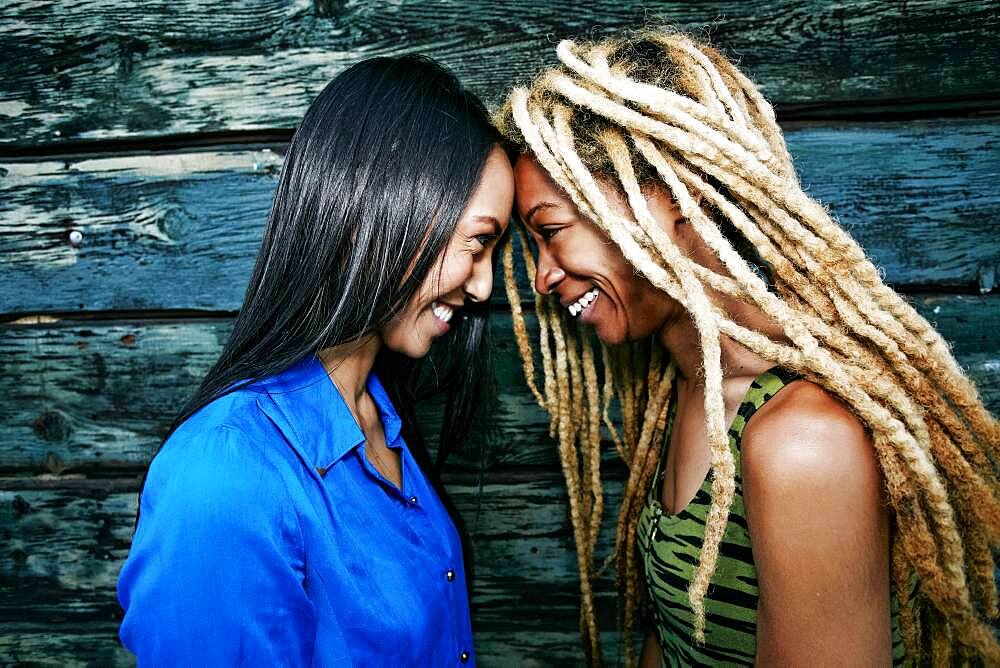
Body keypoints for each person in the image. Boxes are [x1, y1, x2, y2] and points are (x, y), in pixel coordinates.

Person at [494, 30, 1000, 666]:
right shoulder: (686, 389)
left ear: (678, 198)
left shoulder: (802, 442)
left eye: (552, 232)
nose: (541, 277)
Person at [117, 55, 513, 665]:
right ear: (382, 214)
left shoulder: (382, 417)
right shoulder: (225, 475)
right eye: (479, 243)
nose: (484, 287)